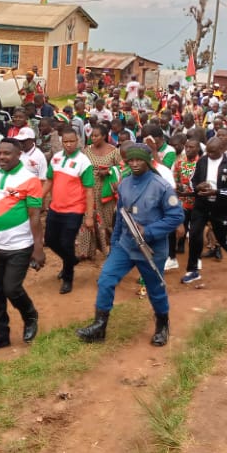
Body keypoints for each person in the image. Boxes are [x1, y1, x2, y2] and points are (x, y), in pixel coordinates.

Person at [76, 143, 184, 346]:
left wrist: (149, 231)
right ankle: (100, 326)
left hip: (151, 248)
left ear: (148, 161)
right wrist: (114, 243)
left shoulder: (161, 186)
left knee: (155, 288)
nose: (134, 164)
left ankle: (162, 325)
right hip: (125, 245)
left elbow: (176, 216)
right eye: (130, 160)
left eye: (139, 160)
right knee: (106, 280)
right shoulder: (124, 183)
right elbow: (120, 216)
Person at [0, 139, 45, 351]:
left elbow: (35, 215)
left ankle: (30, 315)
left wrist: (38, 248)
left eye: (7, 153)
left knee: (12, 288)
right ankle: (0, 334)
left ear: (18, 155)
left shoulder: (30, 180)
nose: (2, 157)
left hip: (20, 245)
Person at [182, 137, 227, 284]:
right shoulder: (202, 161)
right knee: (194, 235)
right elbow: (192, 180)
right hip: (201, 205)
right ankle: (193, 270)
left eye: (213, 152)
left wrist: (216, 192)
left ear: (221, 149)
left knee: (221, 237)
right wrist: (198, 187)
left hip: (220, 206)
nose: (209, 154)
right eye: (207, 151)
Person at [44, 130, 95, 294]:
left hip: (74, 209)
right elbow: (49, 180)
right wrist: (38, 199)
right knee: (50, 240)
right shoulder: (56, 158)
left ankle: (68, 278)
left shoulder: (83, 162)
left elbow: (89, 191)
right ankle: (71, 260)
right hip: (55, 207)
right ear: (62, 142)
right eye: (65, 142)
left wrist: (89, 216)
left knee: (67, 243)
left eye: (72, 141)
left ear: (77, 141)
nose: (68, 144)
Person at [76, 122, 122, 261]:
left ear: (104, 136)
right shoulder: (87, 150)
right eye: (92, 136)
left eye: (96, 136)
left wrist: (109, 171)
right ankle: (85, 251)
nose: (93, 138)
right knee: (88, 217)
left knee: (106, 220)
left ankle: (110, 249)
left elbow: (122, 168)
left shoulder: (114, 151)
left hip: (106, 190)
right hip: (89, 189)